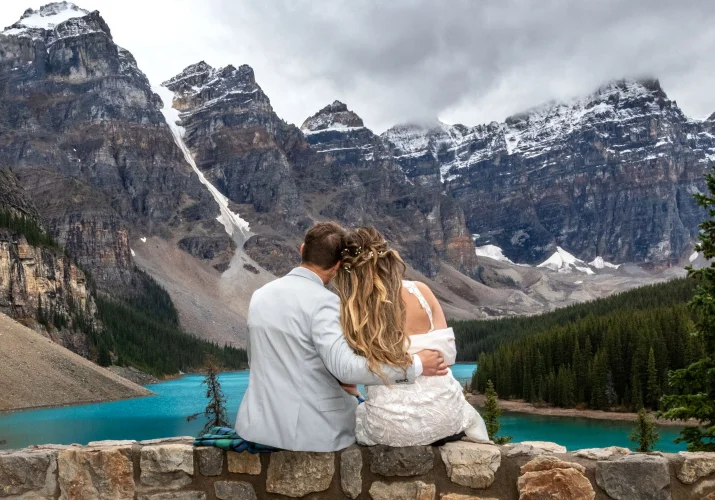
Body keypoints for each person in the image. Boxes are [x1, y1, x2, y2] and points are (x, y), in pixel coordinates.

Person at [235, 222, 449, 452]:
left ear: (302, 249)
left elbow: (256, 358)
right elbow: (346, 369)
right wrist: (416, 365)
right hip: (310, 432)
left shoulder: (260, 295)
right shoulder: (325, 302)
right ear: (338, 265)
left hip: (257, 426)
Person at [334, 226, 489, 446]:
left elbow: (349, 374)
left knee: (353, 415)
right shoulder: (420, 290)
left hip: (390, 428)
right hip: (445, 417)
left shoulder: (351, 311)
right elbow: (448, 356)